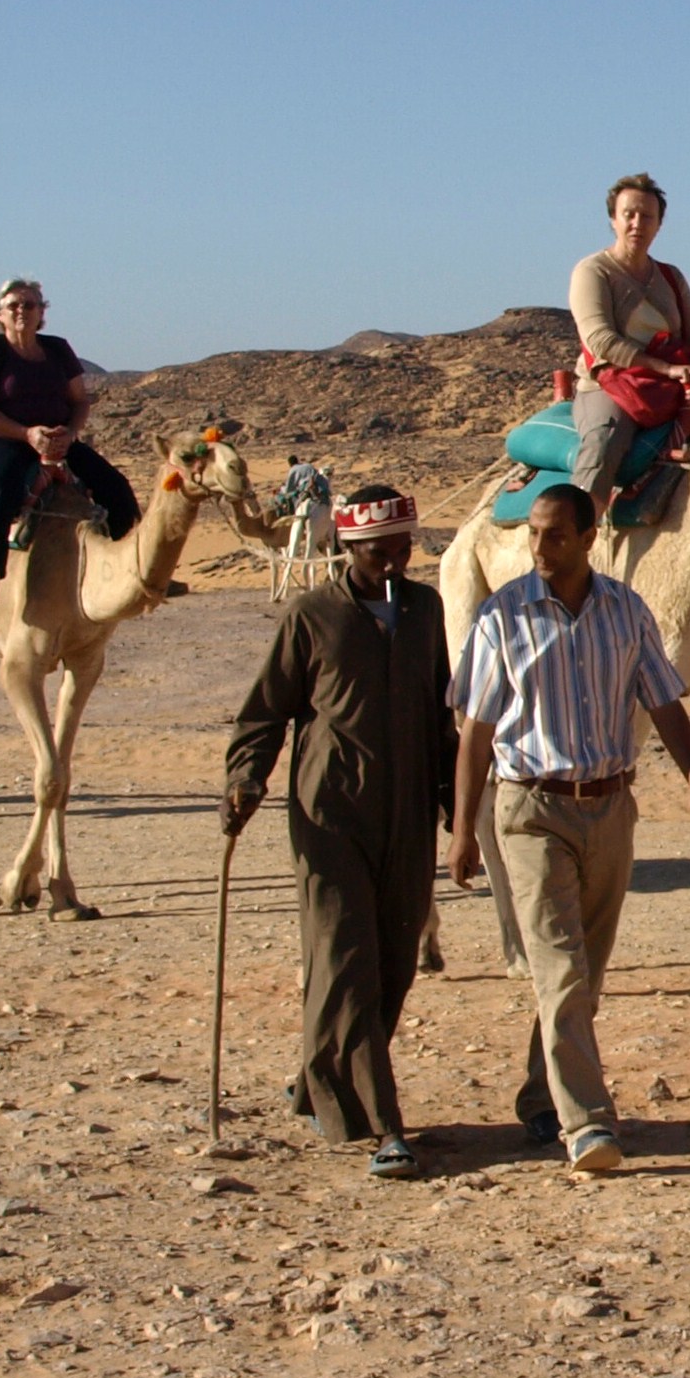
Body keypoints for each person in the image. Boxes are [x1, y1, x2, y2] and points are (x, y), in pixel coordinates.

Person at [446, 482, 690, 1173]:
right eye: (533, 534)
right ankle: (588, 1125)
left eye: (555, 535)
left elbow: (662, 701)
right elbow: (475, 734)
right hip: (530, 811)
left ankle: (542, 1094)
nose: (539, 548)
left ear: (589, 537)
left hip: (609, 807)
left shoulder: (626, 612)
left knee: (583, 977)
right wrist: (461, 829)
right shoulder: (500, 618)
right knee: (561, 970)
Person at [221, 485, 458, 1180]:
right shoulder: (312, 615)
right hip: (329, 813)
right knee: (346, 961)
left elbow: (438, 711)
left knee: (392, 961)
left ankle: (319, 1078)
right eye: (379, 551)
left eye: (402, 548)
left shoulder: (424, 611)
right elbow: (265, 710)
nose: (393, 562)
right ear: (348, 550)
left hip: (407, 811)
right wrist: (245, 779)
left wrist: (453, 801)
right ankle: (381, 1123)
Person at [0, 278, 141, 602]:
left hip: (57, 440)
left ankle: (133, 569)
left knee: (114, 486)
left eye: (30, 304)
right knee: (0, 484)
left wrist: (70, 433)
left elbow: (80, 401)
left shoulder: (57, 349)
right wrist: (27, 434)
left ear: (41, 312)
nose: (22, 311)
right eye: (13, 305)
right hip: (0, 440)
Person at [567, 173, 690, 509]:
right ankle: (579, 534)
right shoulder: (594, 272)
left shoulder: (671, 277)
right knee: (604, 445)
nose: (637, 223)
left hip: (673, 387)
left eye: (647, 216)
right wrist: (665, 368)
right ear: (613, 220)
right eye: (628, 214)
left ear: (659, 224)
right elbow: (601, 340)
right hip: (611, 387)